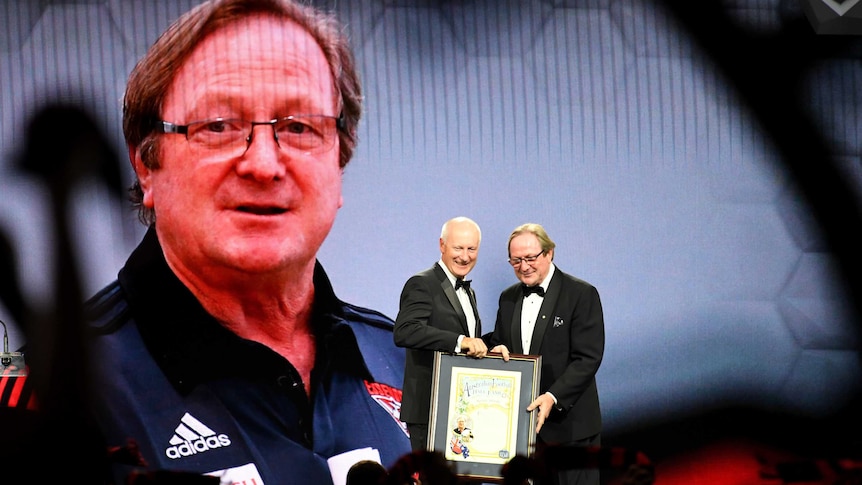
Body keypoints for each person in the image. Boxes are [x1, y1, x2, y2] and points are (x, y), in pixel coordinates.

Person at [79, 0, 411, 483]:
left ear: (339, 164)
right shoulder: (65, 394)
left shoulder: (408, 364)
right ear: (146, 165)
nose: (263, 164)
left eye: (299, 127)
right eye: (217, 126)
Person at [487, 223, 605, 485]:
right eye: (516, 260)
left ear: (549, 253)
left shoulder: (581, 294)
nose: (524, 266)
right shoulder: (507, 298)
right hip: (529, 436)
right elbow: (500, 342)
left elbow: (588, 357)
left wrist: (553, 396)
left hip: (572, 431)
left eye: (530, 258)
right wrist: (495, 350)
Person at [393, 217, 487, 452]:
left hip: (460, 412)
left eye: (471, 249)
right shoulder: (422, 283)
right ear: (442, 245)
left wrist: (492, 346)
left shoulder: (469, 292)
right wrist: (460, 341)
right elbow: (406, 330)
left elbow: (466, 340)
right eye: (458, 248)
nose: (465, 256)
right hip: (429, 410)